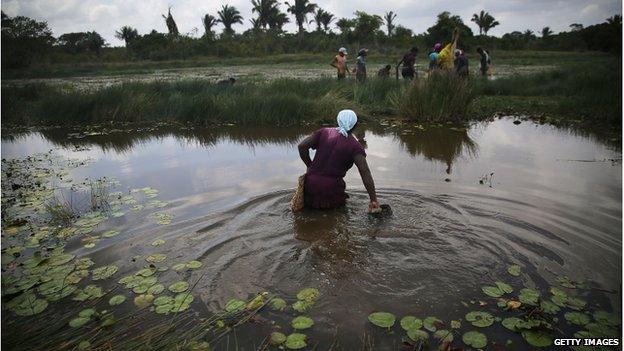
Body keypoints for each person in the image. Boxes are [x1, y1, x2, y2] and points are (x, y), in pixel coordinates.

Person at [297, 109, 379, 212]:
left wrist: (309, 165)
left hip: (310, 185)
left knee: (309, 216)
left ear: (338, 122)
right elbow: (365, 172)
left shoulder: (324, 132)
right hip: (331, 190)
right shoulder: (355, 146)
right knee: (334, 219)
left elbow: (302, 146)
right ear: (355, 126)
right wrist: (373, 199)